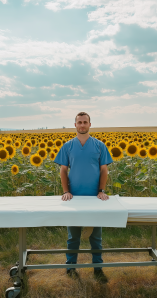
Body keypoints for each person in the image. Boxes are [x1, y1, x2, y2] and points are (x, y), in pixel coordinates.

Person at [54, 112, 113, 283]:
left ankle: (98, 268)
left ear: (90, 124)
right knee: (73, 236)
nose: (82, 125)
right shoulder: (68, 146)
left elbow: (103, 170)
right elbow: (63, 170)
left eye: (85, 122)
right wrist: (66, 191)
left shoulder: (99, 146)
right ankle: (70, 267)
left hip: (95, 197)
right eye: (79, 122)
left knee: (96, 236)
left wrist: (101, 190)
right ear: (75, 125)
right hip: (74, 199)